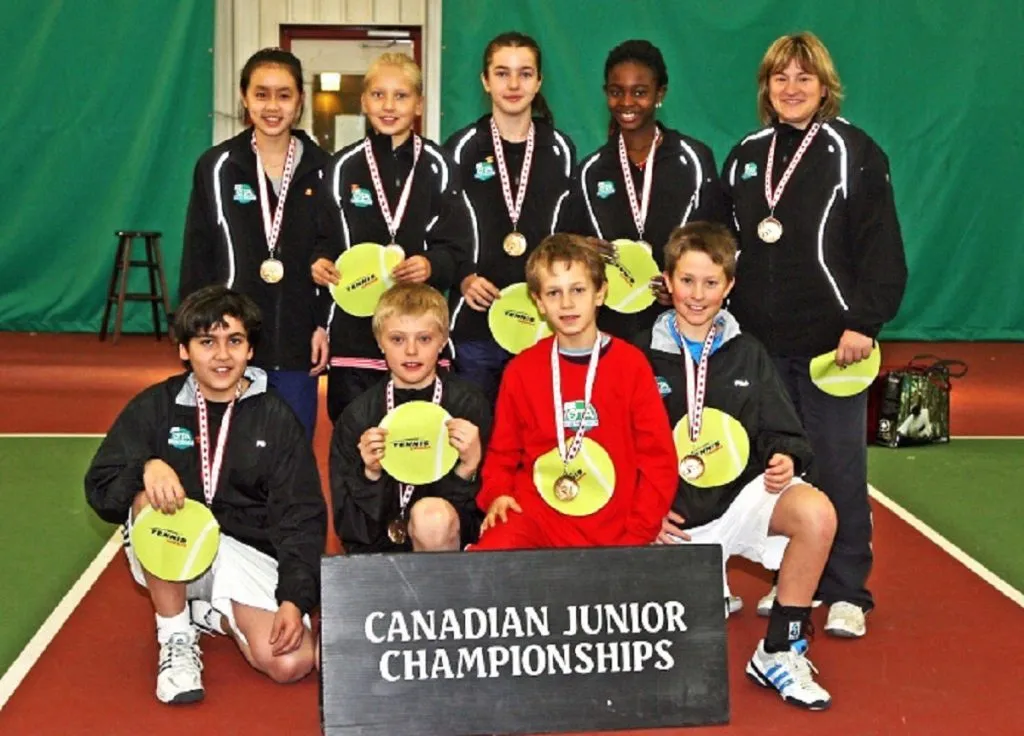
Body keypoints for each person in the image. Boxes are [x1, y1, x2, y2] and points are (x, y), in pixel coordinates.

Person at [721, 32, 907, 637]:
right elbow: (726, 246)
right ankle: (792, 577)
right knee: (774, 470)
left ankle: (848, 589)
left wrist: (863, 322)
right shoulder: (746, 154)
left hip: (833, 347)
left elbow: (881, 248)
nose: (791, 88)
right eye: (780, 78)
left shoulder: (855, 151)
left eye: (804, 78)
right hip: (760, 347)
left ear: (824, 87)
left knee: (838, 467)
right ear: (766, 89)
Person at [84, 286, 327, 704]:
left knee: (291, 664)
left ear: (250, 350)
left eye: (234, 341)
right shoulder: (156, 406)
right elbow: (101, 489)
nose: (221, 355)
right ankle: (176, 636)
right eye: (206, 342)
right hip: (175, 542)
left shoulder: (276, 417)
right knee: (149, 500)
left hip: (246, 552)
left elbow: (301, 515)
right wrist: (145, 467)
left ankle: (211, 612)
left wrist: (293, 598)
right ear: (184, 350)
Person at [637, 222, 837, 710]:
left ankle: (779, 650)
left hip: (740, 501)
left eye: (710, 283)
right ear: (667, 280)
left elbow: (783, 430)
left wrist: (787, 459)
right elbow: (618, 449)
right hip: (669, 519)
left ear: (729, 286)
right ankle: (705, 585)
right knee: (657, 677)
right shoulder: (637, 355)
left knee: (817, 513)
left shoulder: (748, 353)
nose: (698, 295)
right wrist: (644, 513)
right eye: (687, 281)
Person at [473, 233, 677, 550]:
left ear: (600, 293)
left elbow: (658, 460)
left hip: (613, 522)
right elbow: (503, 452)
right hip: (537, 516)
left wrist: (639, 532)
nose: (566, 303)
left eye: (578, 290)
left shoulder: (631, 365)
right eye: (554, 293)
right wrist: (498, 493)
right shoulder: (521, 370)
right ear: (538, 302)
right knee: (491, 559)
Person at [311, 52, 471, 422]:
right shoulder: (341, 167)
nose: (389, 106)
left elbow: (459, 245)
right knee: (355, 439)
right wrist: (318, 264)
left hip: (420, 338)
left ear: (419, 104)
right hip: (354, 335)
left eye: (401, 96)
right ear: (364, 100)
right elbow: (323, 241)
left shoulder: (440, 165)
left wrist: (433, 264)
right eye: (379, 95)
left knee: (418, 438)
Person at [180, 47, 330, 439]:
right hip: (229, 347)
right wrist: (195, 335)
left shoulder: (325, 169)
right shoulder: (216, 167)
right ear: (244, 98)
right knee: (231, 457)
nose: (272, 106)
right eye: (261, 94)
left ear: (300, 102)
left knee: (292, 458)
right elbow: (198, 255)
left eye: (284, 95)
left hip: (300, 345)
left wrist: (324, 325)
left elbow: (335, 253)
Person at [562, 39, 727, 340]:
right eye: (616, 92)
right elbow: (568, 246)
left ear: (659, 94)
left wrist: (682, 285)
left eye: (639, 92)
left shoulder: (694, 160)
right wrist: (582, 249)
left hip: (682, 326)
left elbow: (718, 242)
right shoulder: (590, 171)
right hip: (611, 330)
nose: (626, 103)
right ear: (606, 94)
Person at [444, 31, 577, 403]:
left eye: (525, 73)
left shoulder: (560, 149)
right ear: (485, 81)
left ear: (539, 82)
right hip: (475, 324)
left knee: (539, 442)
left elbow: (568, 234)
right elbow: (438, 233)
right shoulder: (459, 149)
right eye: (502, 73)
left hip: (543, 323)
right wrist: (464, 278)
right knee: (476, 441)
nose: (514, 84)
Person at [331, 283, 491, 553]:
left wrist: (467, 471)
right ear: (379, 342)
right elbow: (349, 528)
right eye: (397, 339)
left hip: (448, 551)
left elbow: (482, 519)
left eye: (424, 338)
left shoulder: (468, 406)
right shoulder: (359, 416)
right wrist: (370, 476)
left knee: (432, 519)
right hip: (379, 551)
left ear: (443, 340)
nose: (411, 351)